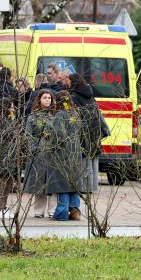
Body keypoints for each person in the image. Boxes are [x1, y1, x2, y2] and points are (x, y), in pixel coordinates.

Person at [50, 91, 86, 221]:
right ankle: (75, 212)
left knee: (63, 184)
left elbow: (59, 135)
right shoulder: (75, 114)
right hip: (75, 152)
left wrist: (52, 146)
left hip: (63, 153)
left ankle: (61, 213)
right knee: (74, 184)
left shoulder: (60, 115)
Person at [24, 89, 56, 219]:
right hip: (38, 153)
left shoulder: (54, 116)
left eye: (49, 98)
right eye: (45, 97)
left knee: (53, 182)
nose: (48, 100)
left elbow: (58, 133)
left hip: (52, 152)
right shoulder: (33, 117)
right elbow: (28, 134)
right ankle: (39, 210)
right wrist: (33, 148)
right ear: (39, 100)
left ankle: (52, 209)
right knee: (39, 181)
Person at [68, 73, 102, 195]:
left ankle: (84, 187)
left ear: (73, 82)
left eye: (68, 80)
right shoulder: (90, 93)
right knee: (93, 158)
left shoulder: (75, 96)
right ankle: (92, 187)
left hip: (84, 130)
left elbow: (76, 115)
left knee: (84, 159)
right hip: (94, 129)